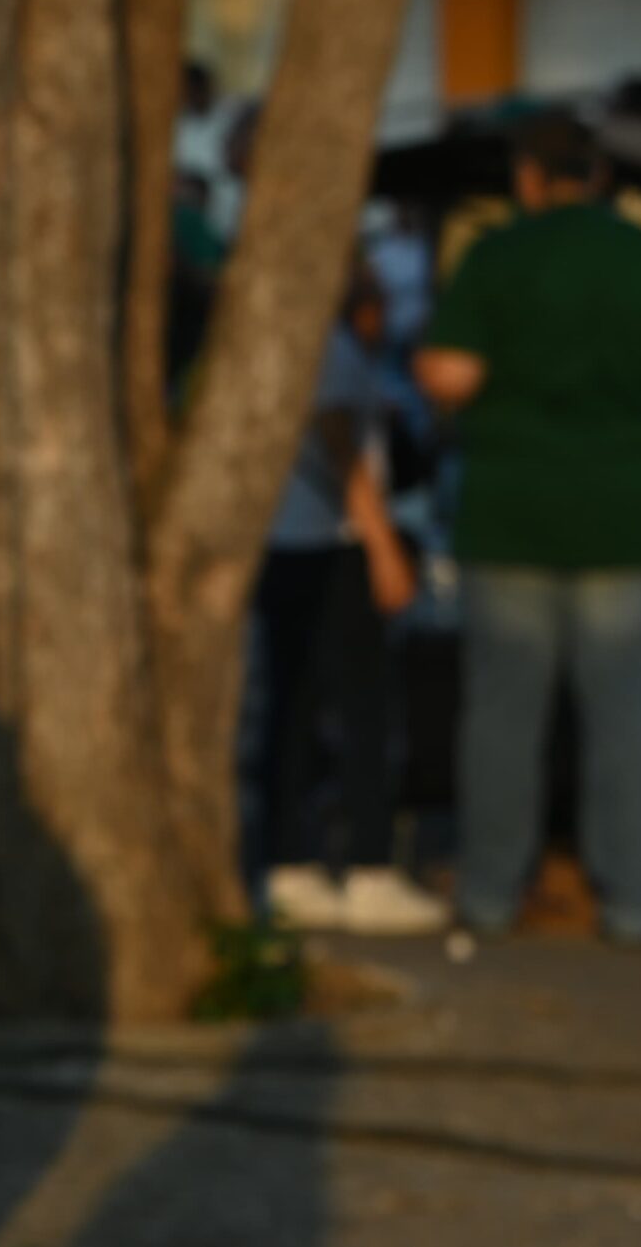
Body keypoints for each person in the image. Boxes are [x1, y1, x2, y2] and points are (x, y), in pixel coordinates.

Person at [416, 111, 641, 945]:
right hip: (633, 517)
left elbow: (447, 371)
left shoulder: (497, 257)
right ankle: (632, 900)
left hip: (512, 515)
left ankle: (493, 891)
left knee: (504, 717)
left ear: (529, 177)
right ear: (598, 177)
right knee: (627, 721)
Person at [255, 265, 444, 935]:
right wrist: (384, 543)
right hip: (335, 544)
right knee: (364, 707)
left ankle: (287, 860)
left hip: (285, 540)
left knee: (293, 705)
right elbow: (340, 441)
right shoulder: (331, 350)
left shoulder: (277, 345)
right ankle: (367, 865)